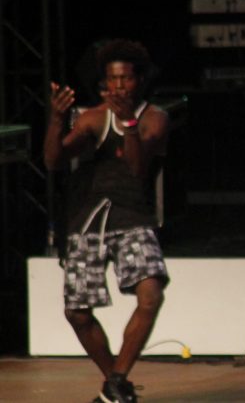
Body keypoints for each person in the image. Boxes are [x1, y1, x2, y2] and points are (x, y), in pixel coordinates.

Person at [44, 39, 170, 403]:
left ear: (139, 80)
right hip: (88, 220)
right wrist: (57, 120)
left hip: (133, 217)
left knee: (151, 295)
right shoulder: (92, 118)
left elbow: (136, 168)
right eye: (112, 79)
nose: (118, 86)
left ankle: (116, 379)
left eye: (125, 79)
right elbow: (53, 161)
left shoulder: (155, 117)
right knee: (77, 313)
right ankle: (116, 382)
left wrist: (128, 123)